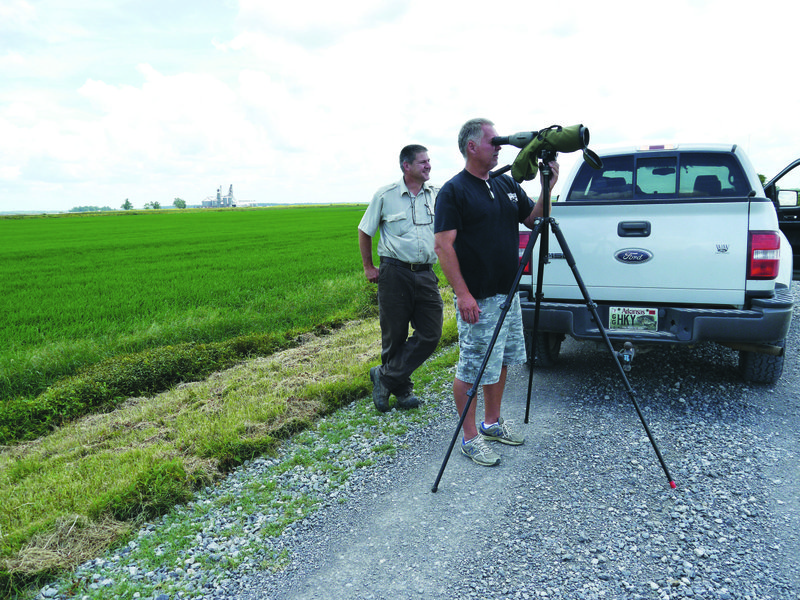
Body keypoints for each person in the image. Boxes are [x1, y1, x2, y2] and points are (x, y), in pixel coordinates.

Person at [433, 118, 558, 466]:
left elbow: (533, 220)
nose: (500, 146)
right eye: (493, 141)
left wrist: (548, 187)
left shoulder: (504, 183)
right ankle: (470, 437)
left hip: (508, 293)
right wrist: (463, 294)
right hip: (478, 297)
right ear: (472, 147)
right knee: (472, 367)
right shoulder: (454, 191)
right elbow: (444, 245)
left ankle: (491, 422)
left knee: (501, 361)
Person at [358, 144, 444, 412]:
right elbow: (365, 230)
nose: (428, 166)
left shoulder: (438, 195)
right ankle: (403, 392)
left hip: (426, 272)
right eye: (422, 162)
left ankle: (383, 376)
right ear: (406, 166)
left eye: (429, 161)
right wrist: (369, 267)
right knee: (394, 334)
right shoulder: (385, 195)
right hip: (394, 272)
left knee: (431, 333)